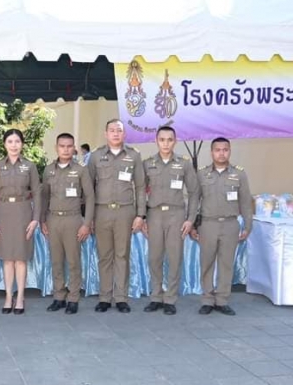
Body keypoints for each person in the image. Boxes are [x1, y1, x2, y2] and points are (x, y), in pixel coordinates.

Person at [88, 119, 146, 313]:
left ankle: (120, 297)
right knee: (104, 256)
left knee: (122, 255)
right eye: (112, 130)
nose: (115, 134)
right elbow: (88, 189)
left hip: (125, 211)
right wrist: (89, 218)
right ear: (106, 134)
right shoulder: (95, 156)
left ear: (124, 134)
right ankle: (105, 297)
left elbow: (139, 186)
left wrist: (140, 215)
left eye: (119, 131)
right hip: (101, 211)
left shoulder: (133, 155)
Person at [191, 137, 252, 316]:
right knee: (207, 263)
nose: (221, 153)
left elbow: (246, 202)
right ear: (211, 152)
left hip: (230, 224)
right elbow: (194, 200)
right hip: (208, 224)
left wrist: (248, 225)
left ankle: (222, 300)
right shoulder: (201, 174)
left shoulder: (239, 174)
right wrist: (193, 225)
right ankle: (208, 299)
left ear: (229, 151)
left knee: (226, 264)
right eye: (217, 150)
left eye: (225, 149)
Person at [142, 126, 199, 315]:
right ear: (156, 141)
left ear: (175, 141)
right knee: (154, 258)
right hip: (155, 215)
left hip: (176, 215)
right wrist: (141, 217)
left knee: (174, 258)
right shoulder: (148, 163)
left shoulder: (184, 163)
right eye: (162, 139)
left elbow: (194, 192)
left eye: (169, 139)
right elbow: (140, 192)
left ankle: (170, 298)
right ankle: (156, 296)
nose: (166, 143)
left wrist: (190, 219)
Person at [0, 129, 41, 315]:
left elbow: (37, 193)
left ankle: (20, 298)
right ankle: (8, 296)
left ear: (22, 144)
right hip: (3, 213)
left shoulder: (30, 166)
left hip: (23, 213)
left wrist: (35, 219)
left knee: (20, 258)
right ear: (4, 144)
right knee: (7, 258)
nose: (13, 145)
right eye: (10, 141)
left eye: (17, 141)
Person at [41, 133, 95, 315]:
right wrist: (42, 220)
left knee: (73, 261)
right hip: (53, 219)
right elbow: (44, 196)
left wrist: (86, 223)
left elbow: (89, 197)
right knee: (56, 261)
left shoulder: (81, 170)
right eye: (62, 146)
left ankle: (73, 298)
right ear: (56, 147)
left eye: (69, 146)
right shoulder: (49, 170)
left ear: (74, 148)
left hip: (73, 220)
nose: (65, 149)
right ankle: (59, 296)